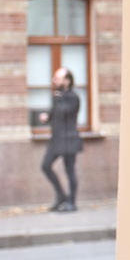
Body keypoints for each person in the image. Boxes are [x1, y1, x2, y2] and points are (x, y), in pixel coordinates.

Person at [39, 67, 81, 211]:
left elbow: (65, 112)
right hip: (56, 139)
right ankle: (61, 196)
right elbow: (54, 114)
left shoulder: (73, 97)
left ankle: (72, 203)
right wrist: (46, 117)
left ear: (67, 81)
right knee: (45, 166)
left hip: (69, 139)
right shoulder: (57, 96)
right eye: (54, 78)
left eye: (57, 78)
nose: (54, 80)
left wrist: (58, 98)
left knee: (70, 171)